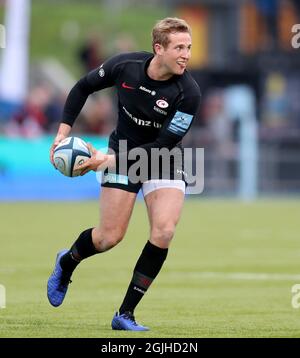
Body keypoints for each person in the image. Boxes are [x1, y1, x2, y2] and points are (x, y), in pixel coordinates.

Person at [47, 17, 201, 331]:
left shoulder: (189, 92)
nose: (186, 54)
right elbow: (83, 87)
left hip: (164, 158)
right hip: (122, 150)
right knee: (108, 238)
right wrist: (61, 134)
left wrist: (104, 161)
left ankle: (125, 314)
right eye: (179, 47)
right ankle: (67, 261)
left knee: (164, 231)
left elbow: (161, 145)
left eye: (189, 47)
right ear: (158, 48)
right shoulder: (125, 66)